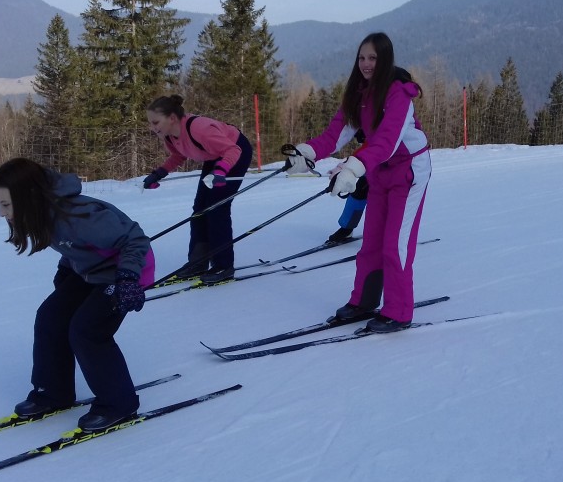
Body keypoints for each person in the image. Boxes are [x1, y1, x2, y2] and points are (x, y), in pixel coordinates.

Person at [0, 158, 155, 433]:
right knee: (50, 318)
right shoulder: (46, 211)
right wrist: (66, 270)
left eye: (5, 205)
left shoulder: (82, 214)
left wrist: (127, 278)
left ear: (28, 197)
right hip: (91, 273)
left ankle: (119, 403)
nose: (1, 213)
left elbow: (135, 240)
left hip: (126, 273)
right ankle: (52, 392)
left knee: (87, 330)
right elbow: (76, 247)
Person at [285, 32, 431, 333]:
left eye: (373, 58)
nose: (366, 64)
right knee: (371, 243)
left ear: (385, 59)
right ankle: (363, 301)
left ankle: (399, 311)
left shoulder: (398, 93)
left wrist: (352, 169)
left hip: (409, 171)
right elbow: (335, 135)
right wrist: (306, 153)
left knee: (395, 245)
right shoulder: (359, 94)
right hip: (379, 171)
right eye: (362, 57)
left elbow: (388, 141)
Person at [143, 95, 254, 284]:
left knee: (217, 208)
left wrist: (221, 170)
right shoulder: (170, 136)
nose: (153, 128)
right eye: (151, 123)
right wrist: (159, 173)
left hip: (235, 152)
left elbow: (233, 150)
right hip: (215, 157)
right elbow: (179, 156)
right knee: (200, 209)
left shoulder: (200, 129)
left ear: (171, 118)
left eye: (155, 122)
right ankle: (198, 262)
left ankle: (224, 266)